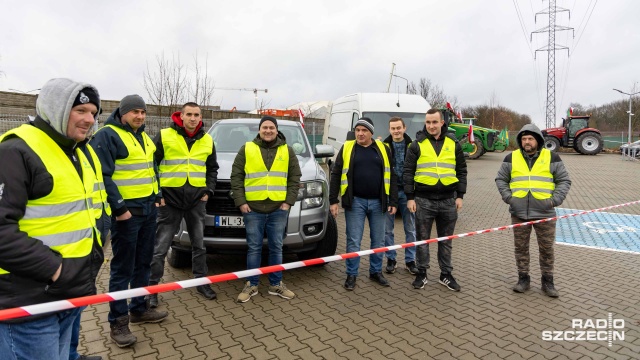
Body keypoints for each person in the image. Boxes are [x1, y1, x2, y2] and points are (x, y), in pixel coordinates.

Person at [0, 78, 104, 360]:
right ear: (56, 108)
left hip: (69, 290)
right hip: (30, 302)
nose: (89, 120)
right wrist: (57, 270)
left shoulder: (78, 151)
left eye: (93, 113)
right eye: (81, 111)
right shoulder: (16, 151)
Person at [90, 95, 167, 348]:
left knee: (143, 261)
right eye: (135, 112)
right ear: (122, 113)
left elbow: (150, 169)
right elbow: (103, 176)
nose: (140, 116)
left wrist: (157, 195)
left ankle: (139, 308)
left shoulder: (143, 136)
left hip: (148, 209)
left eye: (143, 112)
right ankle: (118, 321)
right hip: (127, 214)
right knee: (123, 268)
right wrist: (119, 208)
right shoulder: (107, 135)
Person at [148, 102, 219, 306]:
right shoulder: (164, 135)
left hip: (196, 200)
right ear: (181, 115)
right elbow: (150, 164)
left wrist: (208, 190)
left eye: (197, 114)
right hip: (169, 200)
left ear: (200, 116)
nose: (193, 118)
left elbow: (212, 168)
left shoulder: (207, 140)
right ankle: (152, 289)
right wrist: (157, 193)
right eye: (189, 114)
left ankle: (201, 282)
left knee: (199, 244)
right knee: (160, 247)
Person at [230, 116, 301, 303]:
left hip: (278, 208)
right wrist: (241, 202)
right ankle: (252, 285)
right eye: (264, 127)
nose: (268, 130)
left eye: (271, 127)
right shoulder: (247, 149)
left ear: (277, 130)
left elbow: (295, 179)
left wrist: (288, 203)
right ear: (259, 130)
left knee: (276, 247)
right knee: (254, 248)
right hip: (252, 209)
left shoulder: (287, 151)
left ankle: (276, 284)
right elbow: (236, 177)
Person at [495, 124, 571, 297]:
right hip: (519, 213)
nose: (526, 142)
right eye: (523, 139)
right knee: (520, 248)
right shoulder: (511, 158)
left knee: (546, 249)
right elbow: (501, 179)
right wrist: (509, 198)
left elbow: (564, 180)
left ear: (538, 140)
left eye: (530, 138)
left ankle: (548, 282)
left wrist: (555, 200)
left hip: (545, 213)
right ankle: (523, 279)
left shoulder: (552, 157)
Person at [329, 117, 398, 291]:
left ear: (371, 132)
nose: (360, 133)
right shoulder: (347, 147)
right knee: (353, 241)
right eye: (358, 130)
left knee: (379, 240)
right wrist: (333, 200)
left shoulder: (383, 148)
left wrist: (394, 200)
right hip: (355, 202)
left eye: (364, 130)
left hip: (378, 202)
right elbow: (336, 174)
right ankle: (351, 274)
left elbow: (393, 175)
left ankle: (375, 272)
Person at [404, 109, 467, 291]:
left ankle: (445, 274)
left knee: (446, 241)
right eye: (428, 122)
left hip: (448, 201)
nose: (431, 126)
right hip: (423, 200)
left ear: (441, 123)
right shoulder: (416, 145)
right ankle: (421, 273)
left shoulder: (453, 144)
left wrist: (460, 196)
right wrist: (410, 198)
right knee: (422, 240)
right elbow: (407, 173)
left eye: (434, 122)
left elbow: (462, 171)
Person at [382, 117, 418, 275]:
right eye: (393, 128)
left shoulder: (413, 145)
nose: (396, 131)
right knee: (387, 230)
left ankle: (410, 261)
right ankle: (391, 258)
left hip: (408, 192)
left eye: (398, 128)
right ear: (389, 130)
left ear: (404, 128)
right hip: (390, 192)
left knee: (410, 229)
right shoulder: (383, 146)